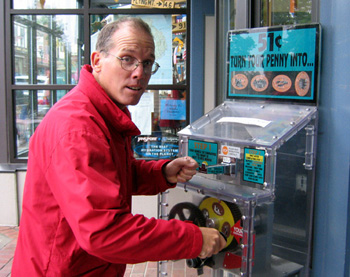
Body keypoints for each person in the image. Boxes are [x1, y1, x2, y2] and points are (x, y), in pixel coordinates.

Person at [12, 17, 226, 276]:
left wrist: (162, 172)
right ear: (97, 61)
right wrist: (194, 239)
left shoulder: (102, 112)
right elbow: (104, 232)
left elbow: (105, 178)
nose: (139, 72)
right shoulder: (78, 127)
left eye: (147, 63)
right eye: (127, 58)